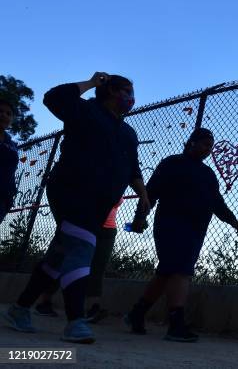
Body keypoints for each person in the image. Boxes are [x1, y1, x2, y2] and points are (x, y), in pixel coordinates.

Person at [2, 73, 150, 344]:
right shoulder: (86, 111)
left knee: (59, 257)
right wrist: (93, 83)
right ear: (111, 91)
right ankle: (75, 321)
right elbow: (54, 98)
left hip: (100, 203)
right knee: (82, 248)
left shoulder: (128, 133)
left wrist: (143, 195)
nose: (131, 97)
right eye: (126, 91)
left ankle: (19, 309)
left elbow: (133, 168)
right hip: (70, 191)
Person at [125, 128, 238, 342]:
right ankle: (176, 324)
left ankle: (137, 313)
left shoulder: (208, 174)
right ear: (191, 142)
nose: (208, 150)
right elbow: (151, 192)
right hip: (170, 225)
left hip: (196, 229)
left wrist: (231, 219)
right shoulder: (172, 163)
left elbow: (216, 202)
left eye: (210, 147)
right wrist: (140, 217)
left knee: (167, 272)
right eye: (205, 144)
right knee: (181, 270)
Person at [35, 198, 124, 323]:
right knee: (61, 261)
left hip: (107, 228)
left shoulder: (121, 179)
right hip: (83, 223)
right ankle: (45, 301)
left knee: (98, 267)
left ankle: (93, 307)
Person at [0, 99, 18, 225]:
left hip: (2, 199)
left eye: (8, 113)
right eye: (0, 111)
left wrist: (8, 199)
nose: (4, 115)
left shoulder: (11, 143)